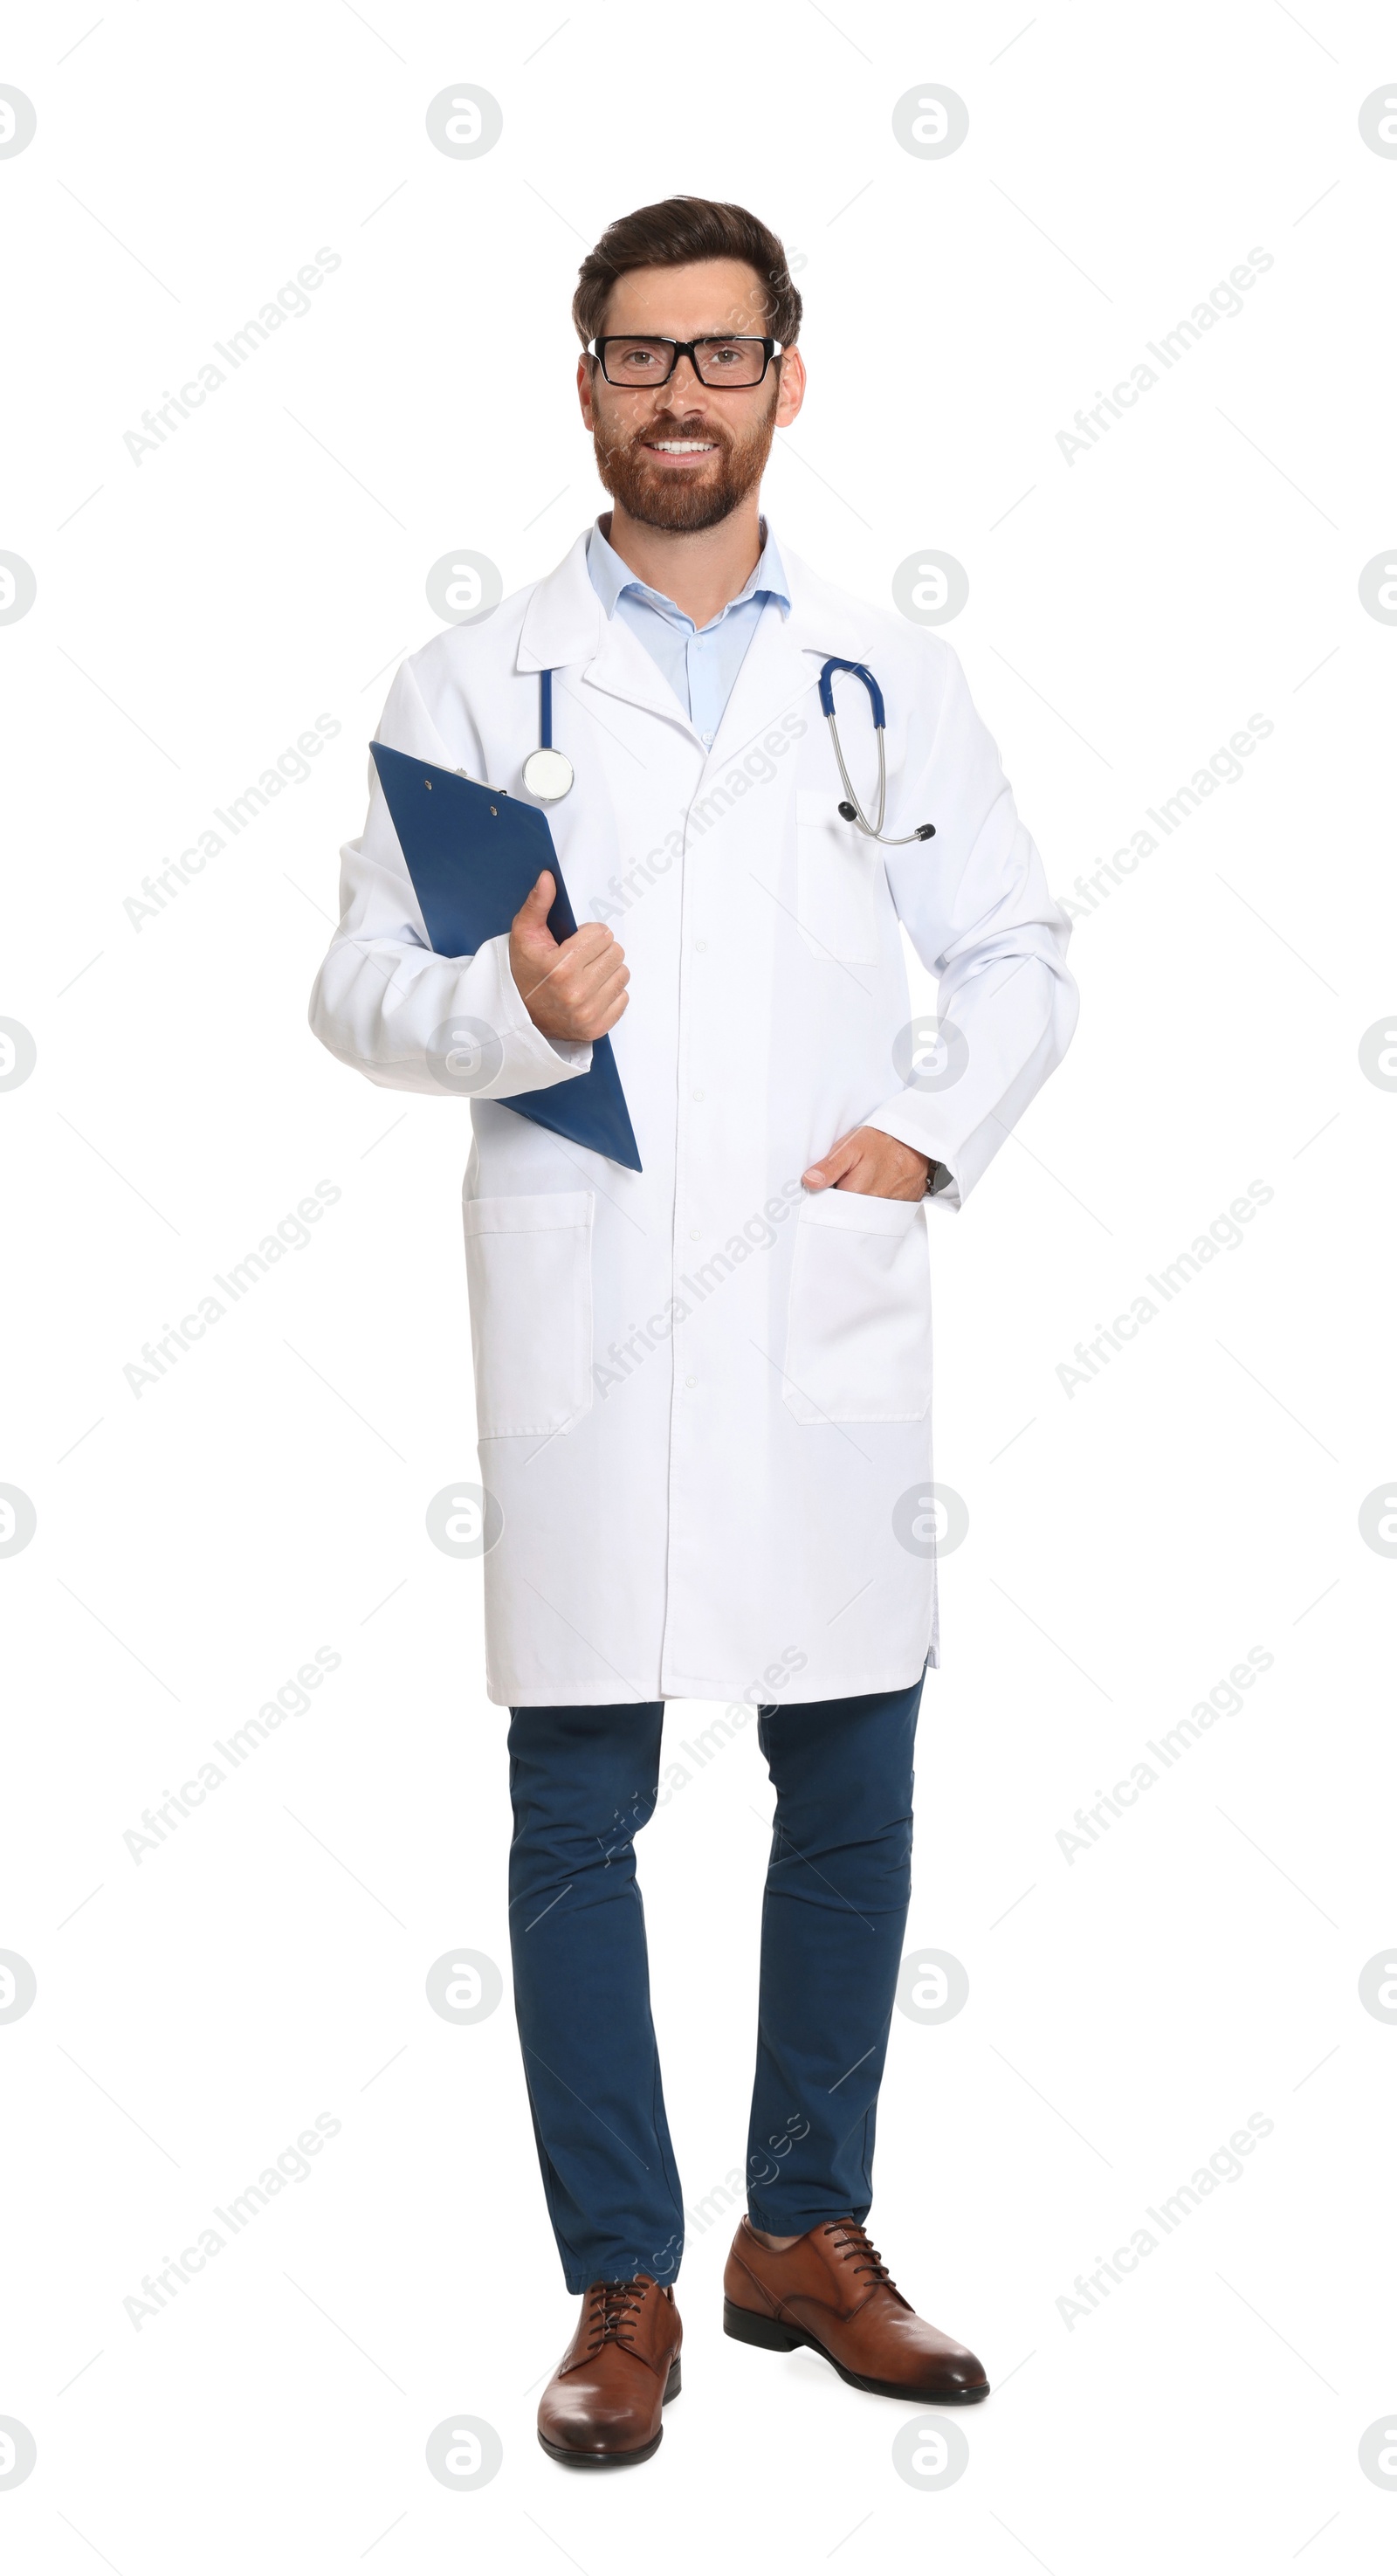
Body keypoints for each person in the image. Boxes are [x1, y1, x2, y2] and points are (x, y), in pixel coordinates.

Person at [309, 194, 1077, 2469]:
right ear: (585, 384)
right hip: (591, 1302)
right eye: (640, 355)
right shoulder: (477, 681)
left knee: (849, 1776)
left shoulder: (882, 669)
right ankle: (625, 2286)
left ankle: (806, 2238)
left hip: (824, 1309)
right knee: (583, 1802)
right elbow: (352, 982)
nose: (680, 393)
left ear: (786, 382)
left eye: (720, 355)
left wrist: (921, 1142)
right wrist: (504, 1006)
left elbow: (1020, 945)